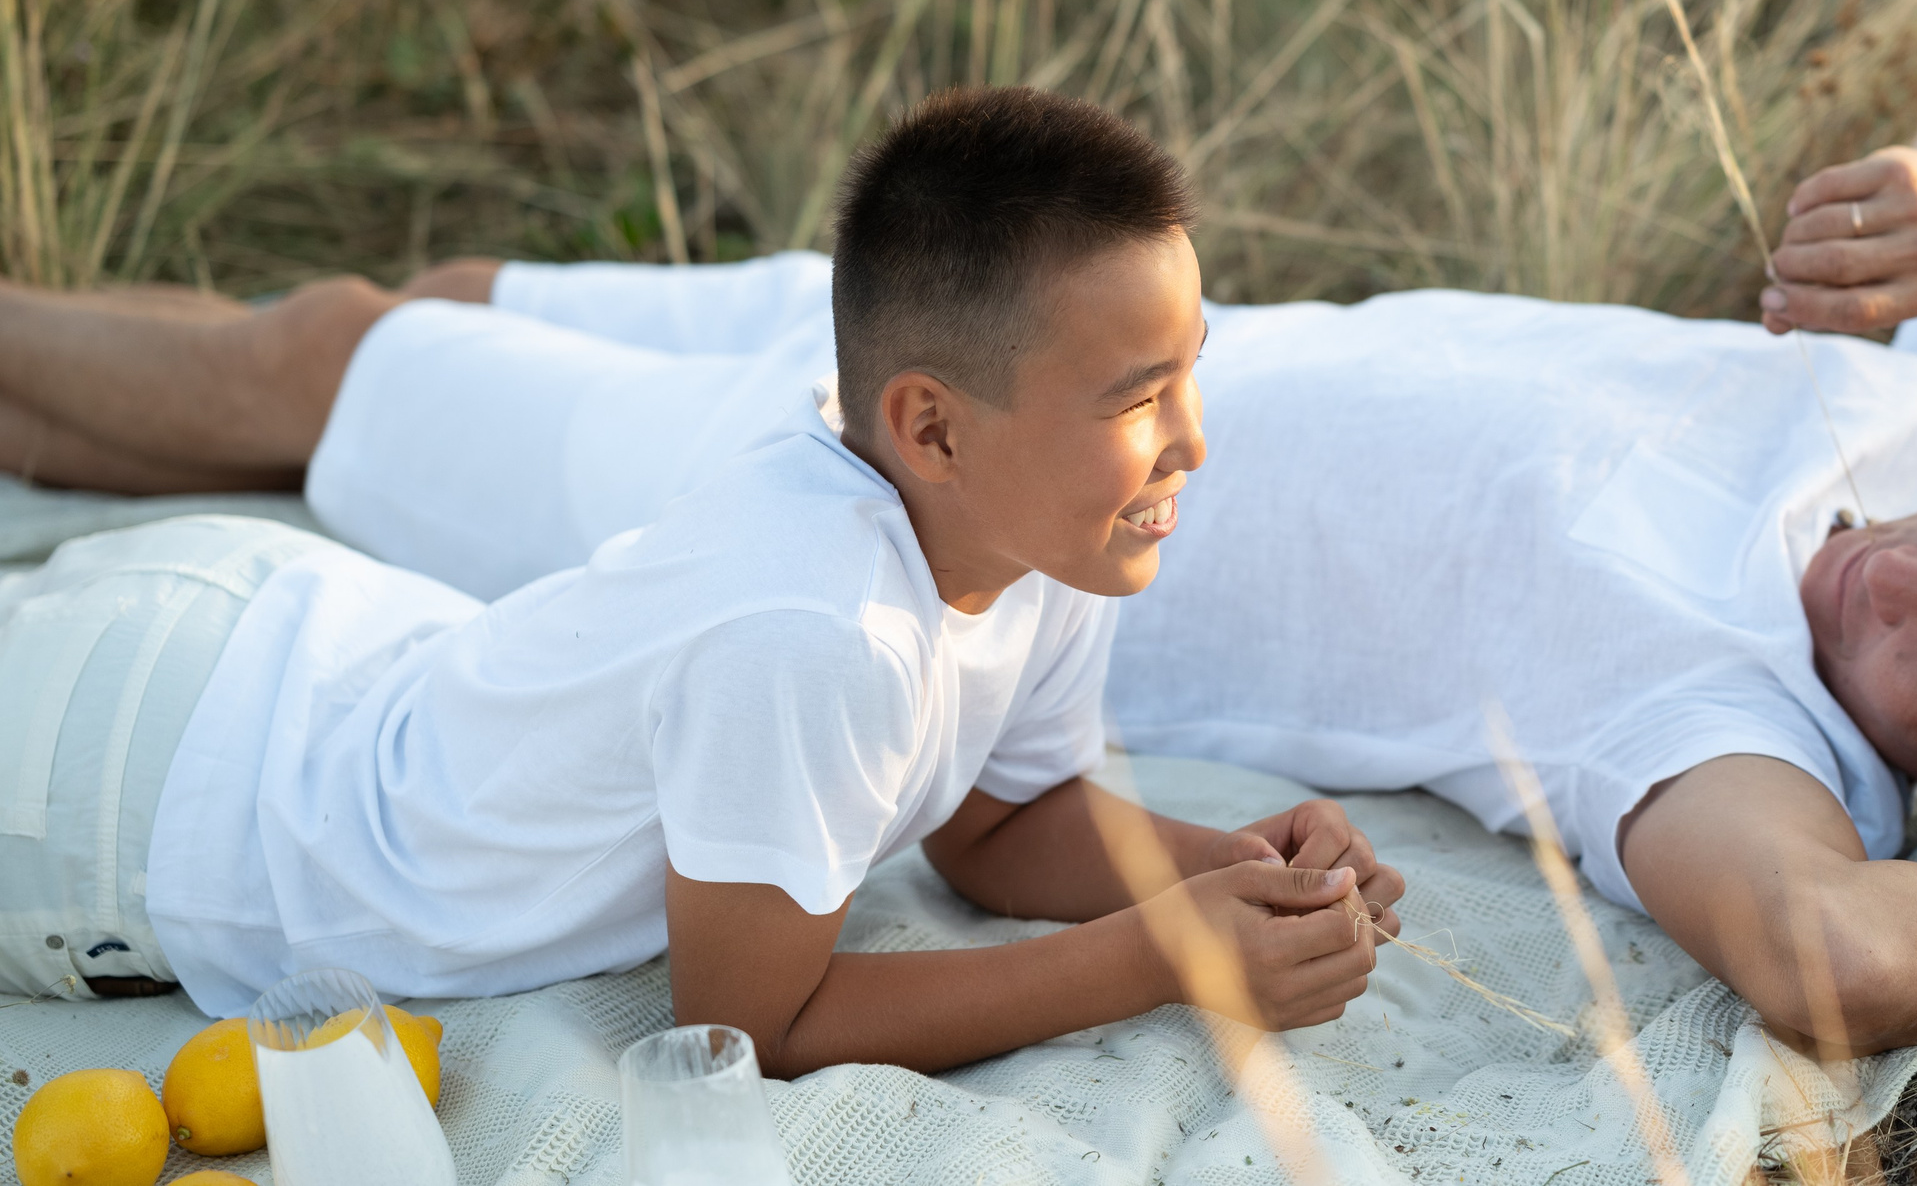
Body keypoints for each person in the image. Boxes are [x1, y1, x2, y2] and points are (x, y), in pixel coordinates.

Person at [0, 35, 1917, 1054]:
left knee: (313, 369)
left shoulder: (1719, 738)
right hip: (1014, 336)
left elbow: (1828, 959)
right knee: (405, 318)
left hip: (971, 516)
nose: (1891, 575)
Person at [0, 88, 1403, 1077]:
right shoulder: (817, 625)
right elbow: (754, 1027)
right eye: (1138, 395)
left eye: (1192, 367)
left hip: (289, 645)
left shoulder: (1038, 539)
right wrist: (1162, 952)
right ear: (932, 426)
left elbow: (994, 820)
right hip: (149, 801)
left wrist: (1235, 874)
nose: (1196, 438)